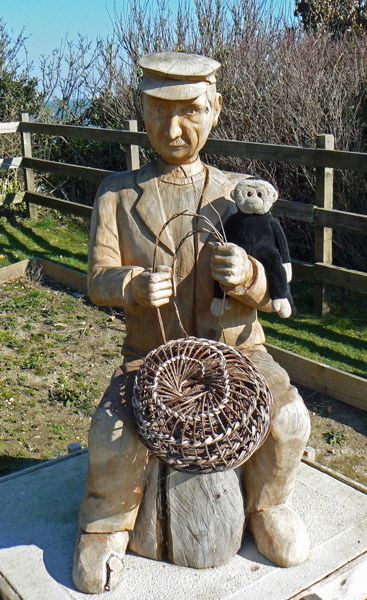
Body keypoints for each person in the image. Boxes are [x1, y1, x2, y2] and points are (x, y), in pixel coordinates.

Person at [72, 52, 311, 594]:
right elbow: (97, 276)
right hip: (152, 357)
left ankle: (268, 504)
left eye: (191, 112)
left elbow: (274, 281)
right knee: (112, 438)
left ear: (216, 110)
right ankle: (107, 524)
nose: (174, 129)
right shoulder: (116, 193)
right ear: (142, 111)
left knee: (289, 419)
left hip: (239, 353)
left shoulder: (239, 194)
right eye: (160, 113)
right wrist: (129, 286)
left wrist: (248, 274)